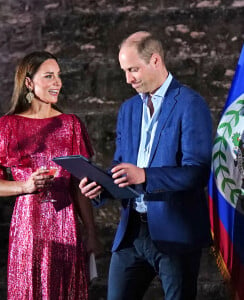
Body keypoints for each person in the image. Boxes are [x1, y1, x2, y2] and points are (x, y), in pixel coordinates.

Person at [79, 32, 213, 300]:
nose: (128, 78)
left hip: (175, 235)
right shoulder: (128, 109)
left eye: (133, 69)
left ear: (155, 60)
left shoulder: (190, 104)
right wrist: (101, 187)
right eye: (124, 71)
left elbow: (197, 172)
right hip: (132, 233)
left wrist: (144, 176)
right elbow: (121, 165)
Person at [0, 51, 101, 300]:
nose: (58, 82)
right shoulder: (6, 127)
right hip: (28, 230)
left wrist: (90, 231)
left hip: (66, 228)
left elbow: (79, 185)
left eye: (58, 76)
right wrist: (24, 186)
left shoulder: (71, 124)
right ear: (28, 82)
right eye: (49, 76)